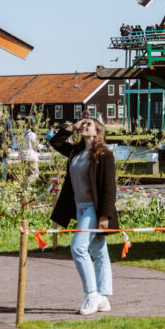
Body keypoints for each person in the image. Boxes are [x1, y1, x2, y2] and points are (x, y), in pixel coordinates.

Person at [50, 117, 118, 316]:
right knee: (98, 249)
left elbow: (109, 188)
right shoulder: (75, 152)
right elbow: (55, 142)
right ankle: (103, 296)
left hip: (93, 208)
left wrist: (104, 214)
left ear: (97, 132)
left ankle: (92, 294)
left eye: (89, 124)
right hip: (79, 207)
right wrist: (72, 127)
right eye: (83, 123)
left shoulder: (104, 155)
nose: (84, 125)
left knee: (78, 247)